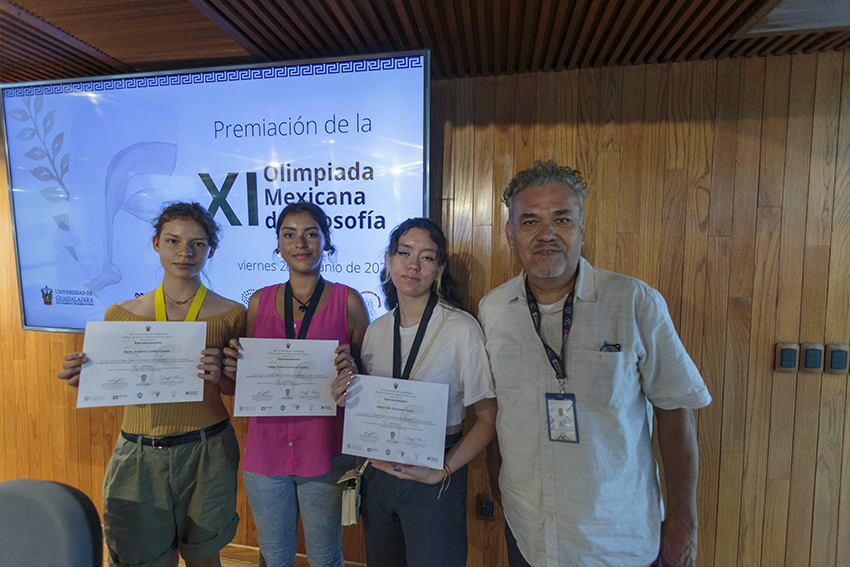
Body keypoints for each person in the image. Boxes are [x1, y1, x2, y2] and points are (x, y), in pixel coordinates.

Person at [478, 161, 712, 567]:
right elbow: (496, 411)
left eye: (562, 219)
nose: (547, 234)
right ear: (509, 233)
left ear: (582, 228)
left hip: (616, 536)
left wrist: (682, 523)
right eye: (530, 221)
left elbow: (675, 412)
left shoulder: (634, 302)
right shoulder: (493, 310)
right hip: (530, 533)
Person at [58, 202, 247, 567]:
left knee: (205, 558)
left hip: (207, 450)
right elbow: (108, 381)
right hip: (140, 453)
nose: (185, 252)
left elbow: (232, 389)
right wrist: (83, 377)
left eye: (198, 244)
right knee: (143, 560)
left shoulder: (231, 314)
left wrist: (221, 374)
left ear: (211, 249)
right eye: (173, 241)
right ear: (156, 243)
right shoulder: (120, 314)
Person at [332, 218, 497, 567]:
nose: (413, 264)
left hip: (435, 469)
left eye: (427, 257)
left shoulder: (461, 329)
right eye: (404, 253)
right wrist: (346, 394)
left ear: (439, 268)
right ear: (390, 260)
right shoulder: (377, 330)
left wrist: (444, 470)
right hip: (378, 473)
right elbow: (370, 407)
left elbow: (487, 417)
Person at [223, 201, 369, 567]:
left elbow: (368, 377)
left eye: (310, 233)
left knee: (324, 557)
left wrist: (354, 372)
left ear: (326, 241)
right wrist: (231, 365)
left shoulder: (348, 301)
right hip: (265, 453)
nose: (300, 243)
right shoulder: (258, 301)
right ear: (278, 244)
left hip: (325, 451)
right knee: (273, 557)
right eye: (289, 234)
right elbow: (241, 381)